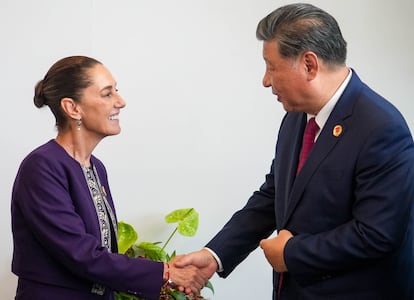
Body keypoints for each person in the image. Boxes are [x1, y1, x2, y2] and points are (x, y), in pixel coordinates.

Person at [175, 3, 414, 299]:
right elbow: (274, 195)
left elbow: (377, 235)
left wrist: (292, 253)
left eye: (271, 67)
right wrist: (215, 254)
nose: (265, 80)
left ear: (309, 65)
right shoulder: (296, 117)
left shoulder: (381, 127)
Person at [11, 56, 206, 300]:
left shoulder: (96, 168)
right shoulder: (42, 166)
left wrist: (164, 274)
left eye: (117, 91)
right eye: (107, 94)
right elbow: (80, 253)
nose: (120, 102)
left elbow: (103, 253)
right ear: (73, 108)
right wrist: (164, 273)